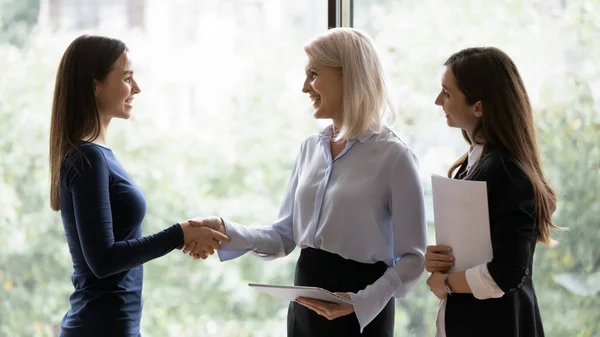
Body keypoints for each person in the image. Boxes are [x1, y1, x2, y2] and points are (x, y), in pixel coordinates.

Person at [184, 27, 427, 337]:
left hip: (360, 311)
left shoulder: (395, 157)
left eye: (313, 74)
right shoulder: (309, 148)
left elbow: (413, 258)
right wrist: (223, 228)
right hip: (305, 304)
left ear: (348, 75)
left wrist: (361, 302)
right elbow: (284, 236)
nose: (304, 87)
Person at [48, 35, 229, 337]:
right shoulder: (88, 157)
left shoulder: (97, 154)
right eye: (128, 78)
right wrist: (179, 233)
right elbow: (103, 261)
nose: (137, 88)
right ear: (95, 85)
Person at [425, 47, 560, 337]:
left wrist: (445, 282)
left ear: (479, 107)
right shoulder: (474, 164)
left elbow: (506, 274)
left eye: (447, 93)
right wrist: (441, 259)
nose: (438, 101)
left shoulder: (506, 172)